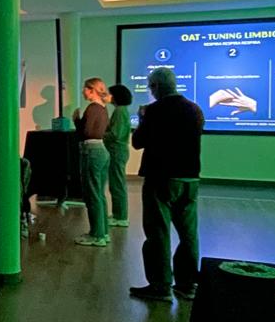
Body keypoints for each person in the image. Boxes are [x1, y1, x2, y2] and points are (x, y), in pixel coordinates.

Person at [129, 67, 204, 302]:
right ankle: (187, 284)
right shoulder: (195, 109)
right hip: (190, 178)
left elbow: (138, 142)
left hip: (161, 178)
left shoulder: (154, 110)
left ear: (156, 87)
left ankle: (160, 286)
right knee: (189, 234)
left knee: (158, 232)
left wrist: (142, 119)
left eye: (150, 87)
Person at [73, 77, 111, 247]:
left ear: (91, 90)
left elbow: (86, 132)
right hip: (101, 151)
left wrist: (77, 120)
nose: (83, 91)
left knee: (92, 194)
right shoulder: (103, 108)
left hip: (91, 152)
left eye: (85, 88)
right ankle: (103, 232)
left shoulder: (92, 108)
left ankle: (96, 235)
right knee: (99, 194)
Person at [105, 84, 133, 229]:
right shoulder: (121, 111)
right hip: (118, 150)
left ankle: (120, 216)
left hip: (117, 150)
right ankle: (118, 214)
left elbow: (115, 134)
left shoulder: (120, 111)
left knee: (117, 184)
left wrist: (100, 134)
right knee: (116, 183)